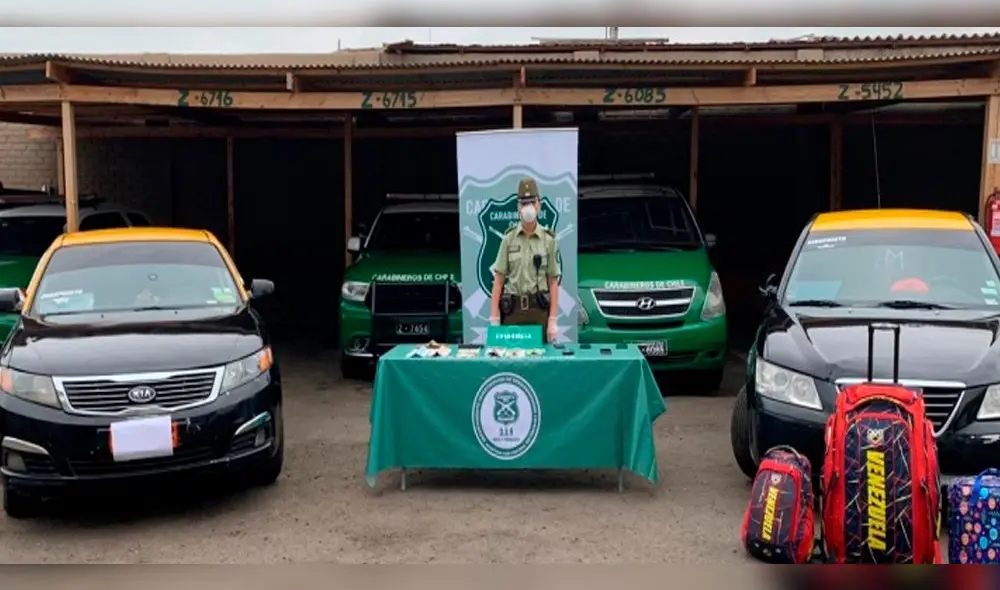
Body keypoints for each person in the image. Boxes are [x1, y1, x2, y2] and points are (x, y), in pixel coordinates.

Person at [489, 177, 561, 343]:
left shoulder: (548, 240)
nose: (528, 207)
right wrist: (494, 319)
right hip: (513, 312)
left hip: (539, 311)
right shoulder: (509, 239)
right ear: (518, 207)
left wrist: (552, 321)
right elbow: (498, 281)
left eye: (532, 202)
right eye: (524, 203)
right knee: (511, 360)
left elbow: (553, 282)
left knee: (540, 362)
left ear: (538, 204)